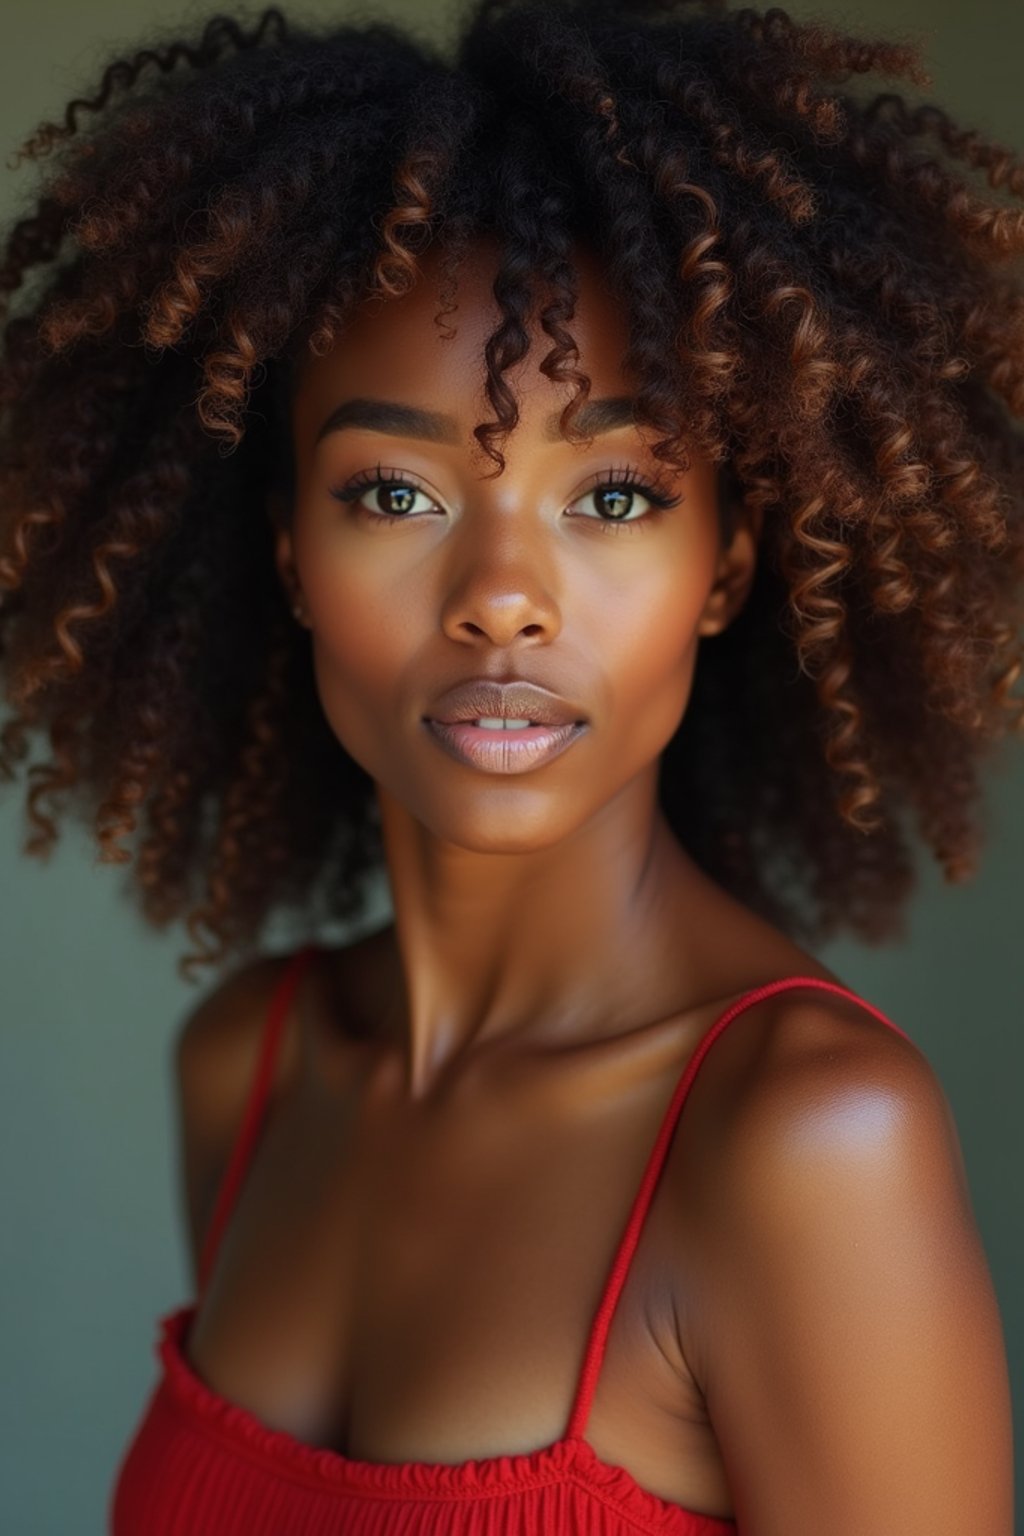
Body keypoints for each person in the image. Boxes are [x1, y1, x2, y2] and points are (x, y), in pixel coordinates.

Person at [0, 0, 1017, 1530]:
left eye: (612, 494)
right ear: (290, 558)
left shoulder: (804, 1140)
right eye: (394, 490)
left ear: (730, 569)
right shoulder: (252, 1067)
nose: (501, 591)